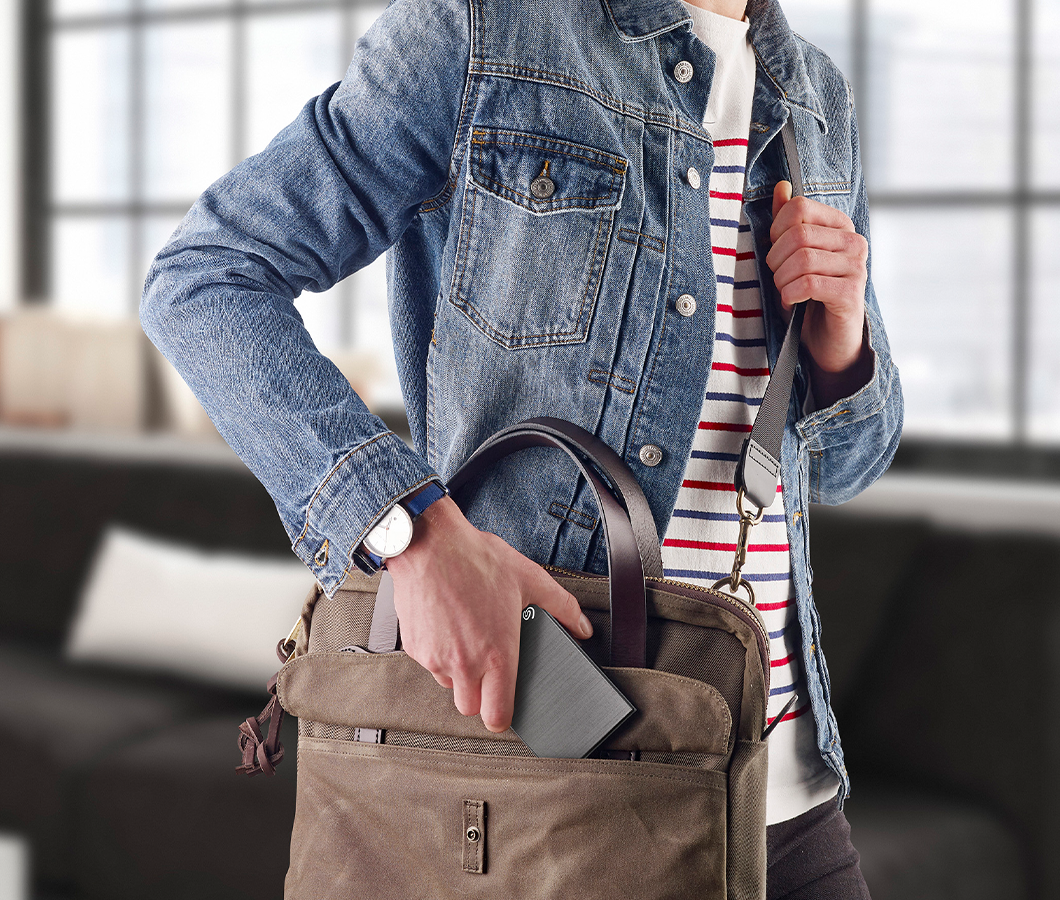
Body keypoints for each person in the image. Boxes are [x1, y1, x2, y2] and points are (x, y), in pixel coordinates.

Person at [142, 0, 901, 894]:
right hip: (545, 767)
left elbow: (848, 467)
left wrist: (840, 340)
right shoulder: (483, 27)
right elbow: (205, 278)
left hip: (791, 798)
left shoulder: (816, 99)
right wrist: (410, 534)